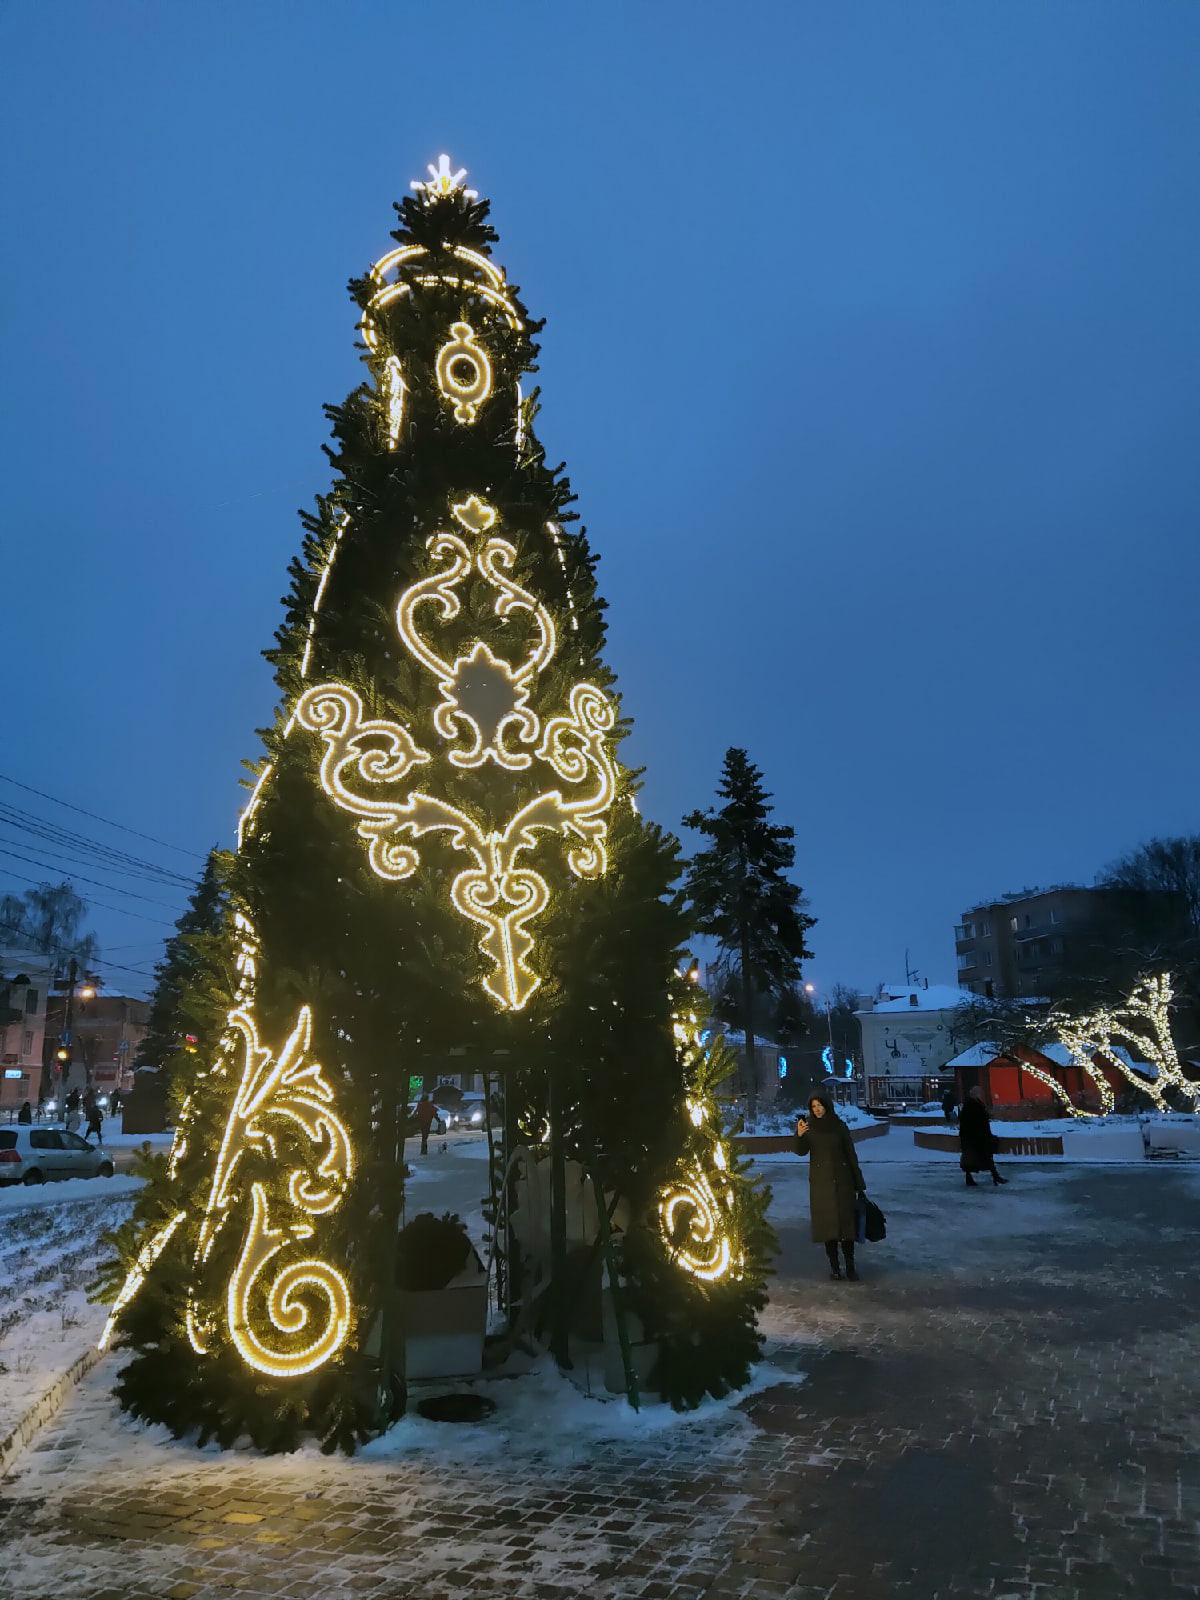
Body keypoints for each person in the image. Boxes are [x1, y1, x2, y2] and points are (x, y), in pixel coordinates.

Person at [794, 1092, 867, 1281]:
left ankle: (851, 1267)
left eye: (819, 1105)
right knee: (828, 1229)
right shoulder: (809, 1129)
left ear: (827, 1105)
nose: (817, 1110)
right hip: (821, 1186)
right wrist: (799, 1135)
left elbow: (851, 1154)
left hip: (843, 1183)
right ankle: (835, 1268)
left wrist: (859, 1184)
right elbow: (800, 1152)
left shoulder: (839, 1127)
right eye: (813, 1107)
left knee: (847, 1228)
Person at [959, 1085, 1008, 1187]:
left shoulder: (975, 1103)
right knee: (978, 1157)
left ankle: (994, 1176)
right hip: (975, 1136)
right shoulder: (970, 1104)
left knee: (982, 1157)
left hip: (978, 1136)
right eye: (978, 1092)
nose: (980, 1094)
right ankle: (994, 1177)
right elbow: (970, 1121)